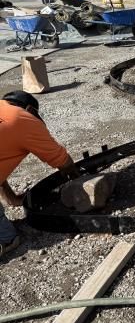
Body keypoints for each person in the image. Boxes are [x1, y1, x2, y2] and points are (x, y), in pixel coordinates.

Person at [0, 91, 77, 258]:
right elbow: (63, 161)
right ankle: (6, 241)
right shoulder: (22, 118)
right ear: (30, 109)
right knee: (7, 236)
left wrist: (11, 198)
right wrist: (78, 181)